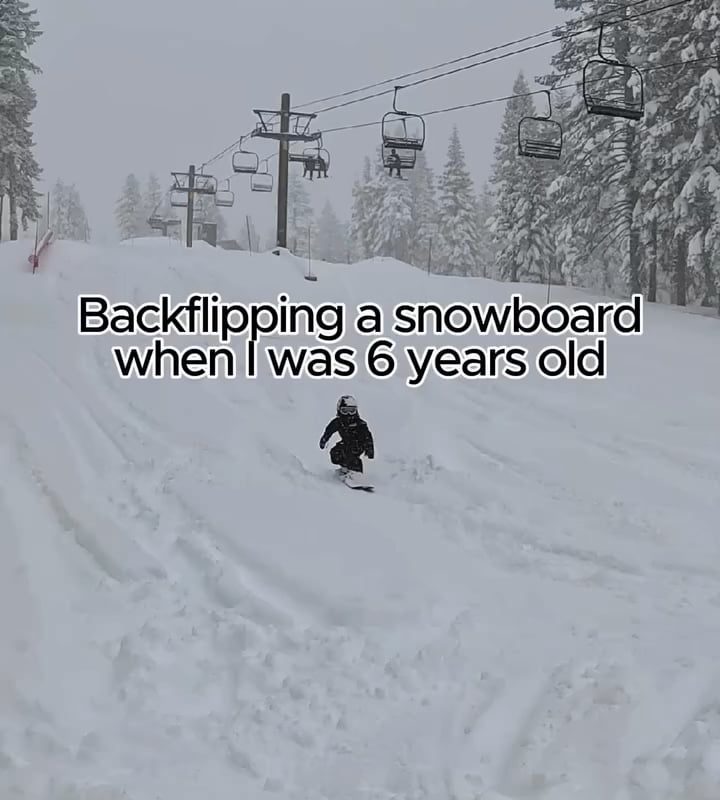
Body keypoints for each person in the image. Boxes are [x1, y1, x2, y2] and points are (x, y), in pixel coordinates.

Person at [319, 395, 374, 474]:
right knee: (335, 453)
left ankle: (355, 473)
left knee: (351, 455)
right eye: (345, 411)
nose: (348, 414)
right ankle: (345, 469)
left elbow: (368, 436)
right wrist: (324, 440)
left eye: (352, 411)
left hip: (359, 444)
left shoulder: (360, 423)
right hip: (346, 443)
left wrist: (370, 450)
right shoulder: (338, 422)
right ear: (339, 410)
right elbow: (329, 430)